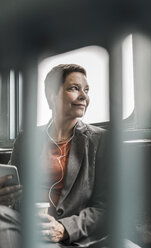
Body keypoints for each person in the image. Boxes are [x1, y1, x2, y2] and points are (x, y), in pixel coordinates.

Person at [0, 64, 108, 247]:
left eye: (86, 90)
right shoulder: (26, 139)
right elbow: (15, 194)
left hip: (73, 237)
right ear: (52, 94)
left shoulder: (100, 140)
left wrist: (65, 228)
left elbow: (107, 207)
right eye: (74, 88)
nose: (84, 96)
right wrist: (5, 198)